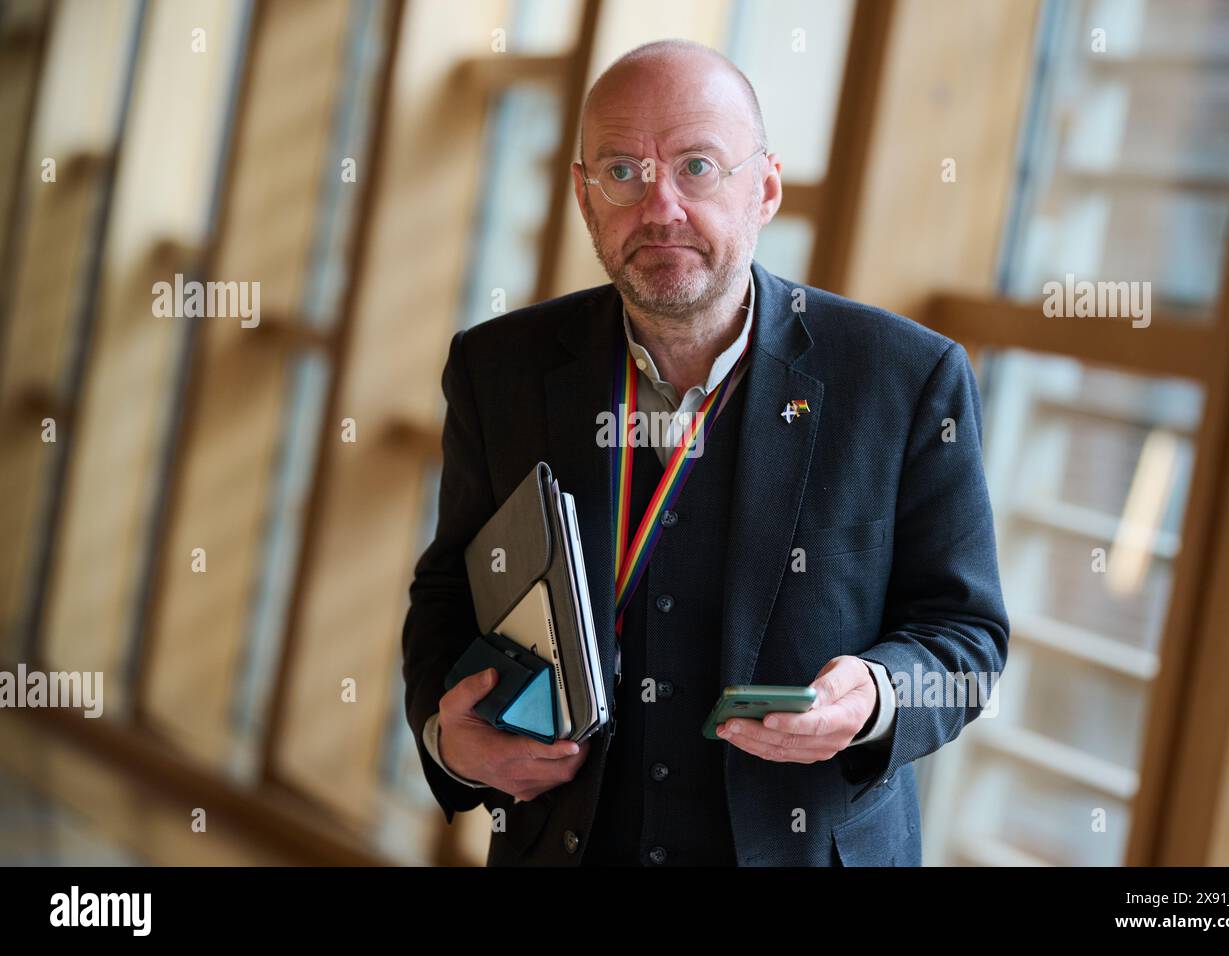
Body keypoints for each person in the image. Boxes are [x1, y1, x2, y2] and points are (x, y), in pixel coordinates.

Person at [401, 39, 1009, 866]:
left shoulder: (905, 379)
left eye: (696, 166)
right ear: (584, 199)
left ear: (765, 188)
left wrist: (876, 695)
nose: (660, 207)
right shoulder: (496, 368)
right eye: (623, 171)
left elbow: (966, 638)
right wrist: (446, 735)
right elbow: (447, 592)